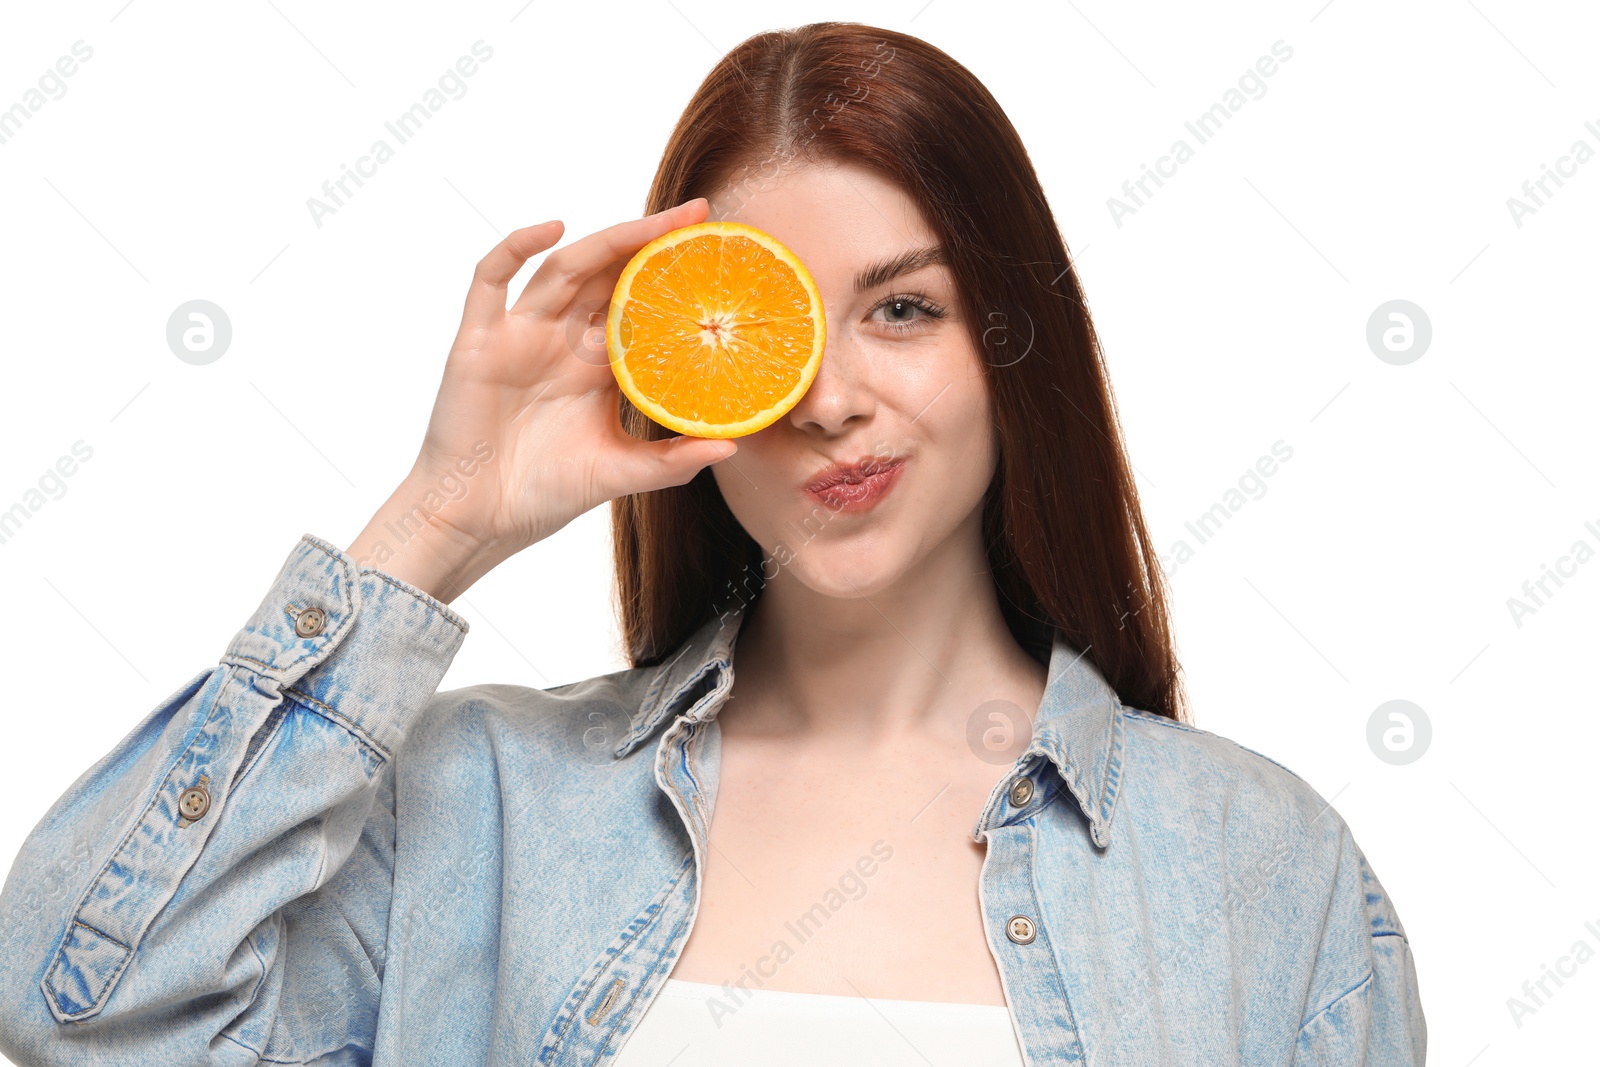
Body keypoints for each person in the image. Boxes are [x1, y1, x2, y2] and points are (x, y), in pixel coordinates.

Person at [0, 20, 1424, 1067]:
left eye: (904, 309)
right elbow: (87, 1013)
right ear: (673, 367)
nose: (827, 398)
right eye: (759, 333)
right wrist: (443, 512)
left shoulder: (1260, 867)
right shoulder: (473, 809)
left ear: (1008, 350)